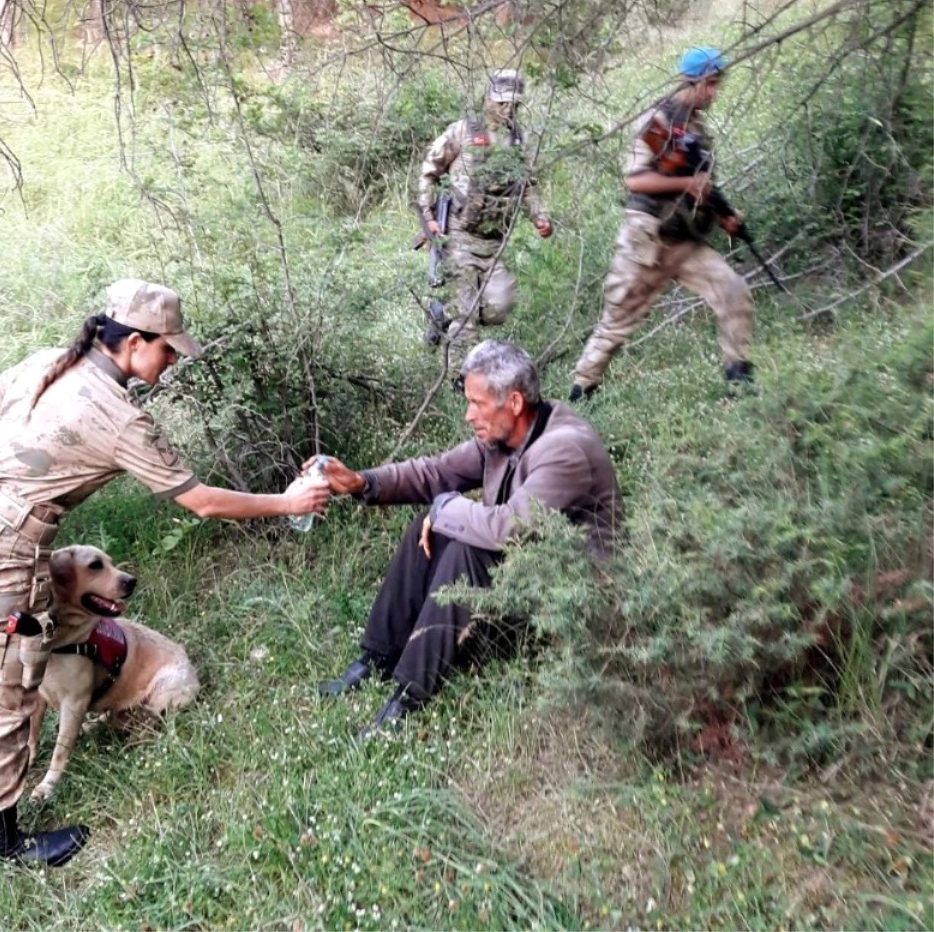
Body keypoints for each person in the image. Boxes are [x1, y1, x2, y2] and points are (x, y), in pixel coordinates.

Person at [0, 279, 330, 868]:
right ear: (135, 343)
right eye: (166, 350)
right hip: (2, 555)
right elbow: (203, 502)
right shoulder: (117, 416)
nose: (170, 364)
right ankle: (5, 847)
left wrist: (30, 472)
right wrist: (289, 504)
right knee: (10, 692)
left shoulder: (44, 364)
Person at [313, 340, 622, 738]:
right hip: (529, 573)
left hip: (568, 604)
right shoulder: (504, 438)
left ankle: (408, 698)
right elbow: (435, 472)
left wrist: (443, 508)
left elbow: (508, 529)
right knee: (430, 529)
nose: (468, 414)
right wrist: (362, 482)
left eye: (477, 403)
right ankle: (377, 658)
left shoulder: (564, 449)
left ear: (513, 402)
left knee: (467, 548)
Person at [570, 46, 754, 401]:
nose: (714, 93)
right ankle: (582, 394)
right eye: (711, 84)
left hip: (684, 241)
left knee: (733, 292)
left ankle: (739, 380)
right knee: (616, 324)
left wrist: (724, 216)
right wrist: (685, 184)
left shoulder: (695, 126)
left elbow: (700, 186)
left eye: (717, 84)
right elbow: (636, 180)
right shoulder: (660, 120)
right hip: (648, 240)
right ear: (693, 81)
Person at [417, 68, 554, 362]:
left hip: (495, 241)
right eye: (501, 102)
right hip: (459, 234)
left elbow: (528, 184)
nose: (506, 110)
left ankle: (442, 313)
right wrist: (428, 219)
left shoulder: (519, 140)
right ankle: (457, 376)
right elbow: (429, 171)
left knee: (498, 307)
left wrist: (539, 216)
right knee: (467, 317)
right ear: (488, 99)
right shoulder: (463, 131)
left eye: (513, 104)